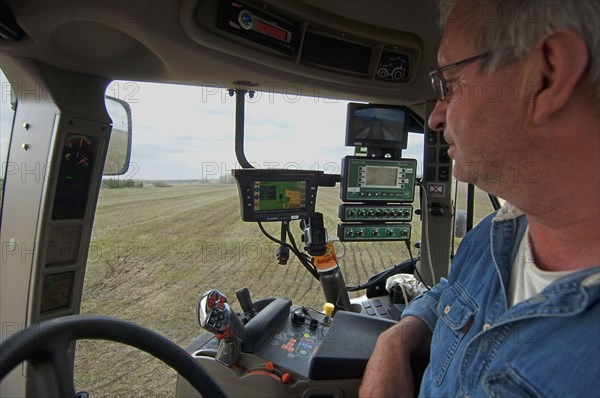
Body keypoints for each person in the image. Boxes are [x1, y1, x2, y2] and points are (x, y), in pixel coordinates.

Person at [359, 0, 600, 396]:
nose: (436, 117)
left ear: (547, 75)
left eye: (448, 84)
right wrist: (396, 340)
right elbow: (449, 295)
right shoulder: (494, 234)